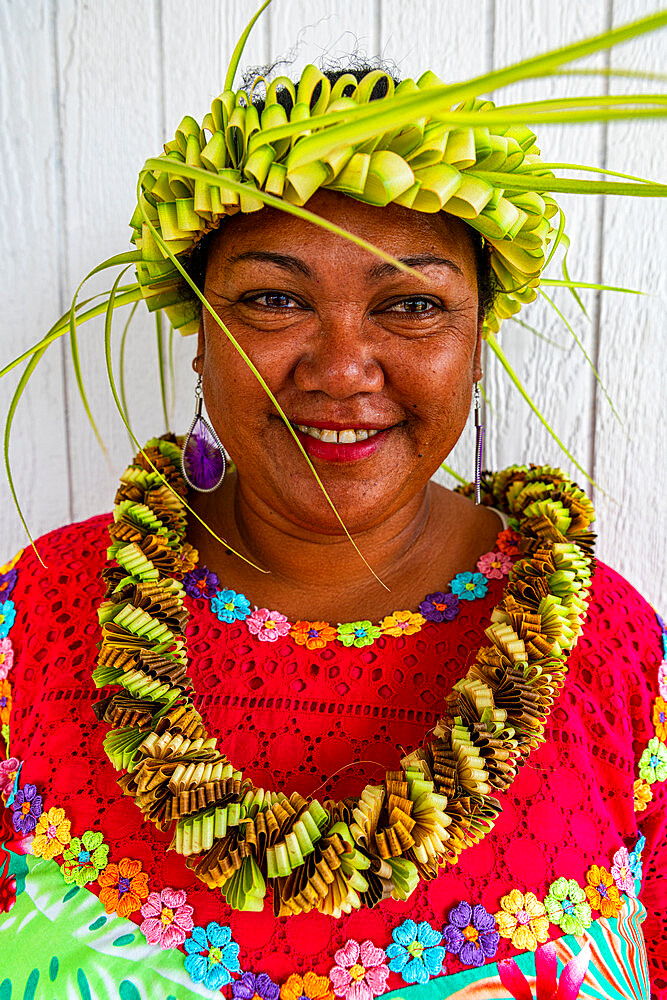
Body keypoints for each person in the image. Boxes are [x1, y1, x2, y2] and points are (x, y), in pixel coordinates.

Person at [0, 6, 665, 999]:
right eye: (275, 300)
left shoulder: (607, 648)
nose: (344, 368)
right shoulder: (38, 619)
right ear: (196, 329)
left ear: (477, 336)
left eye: (410, 304)